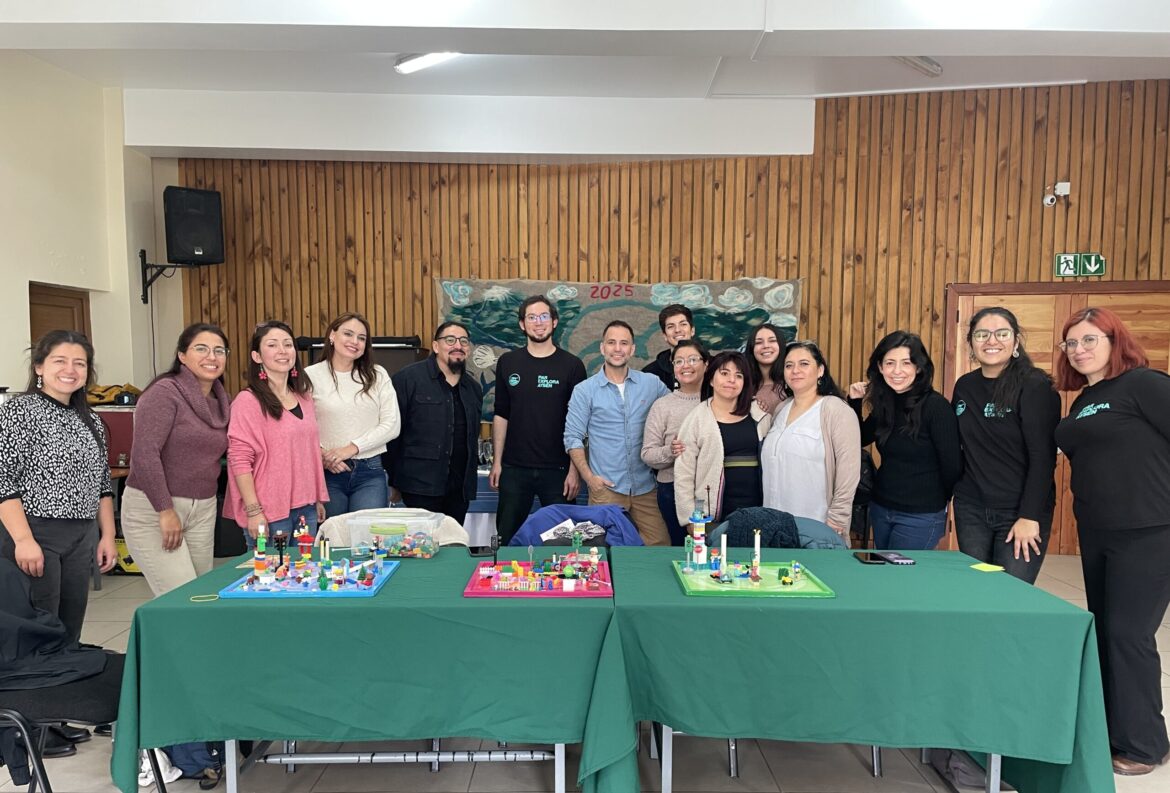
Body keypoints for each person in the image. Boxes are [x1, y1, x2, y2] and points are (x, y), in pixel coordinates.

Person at [1053, 306, 1170, 777]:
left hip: (1149, 530)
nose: (1079, 350)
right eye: (1071, 343)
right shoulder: (1087, 398)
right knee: (1105, 632)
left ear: (1114, 340)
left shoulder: (1145, 384)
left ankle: (1145, 744)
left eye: (1089, 340)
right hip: (1098, 530)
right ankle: (1112, 729)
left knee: (1128, 633)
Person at [0, 330, 117, 645]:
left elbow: (103, 483)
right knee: (38, 625)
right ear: (39, 367)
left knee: (70, 626)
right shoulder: (18, 411)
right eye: (60, 361)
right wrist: (23, 540)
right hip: (36, 532)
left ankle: (65, 689)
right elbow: (2, 480)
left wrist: (107, 536)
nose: (70, 370)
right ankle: (31, 693)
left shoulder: (90, 419)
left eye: (79, 363)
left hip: (82, 536)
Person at [121, 323, 232, 596]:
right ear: (182, 355)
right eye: (201, 349)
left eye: (219, 350)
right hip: (155, 508)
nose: (212, 357)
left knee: (201, 595)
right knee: (181, 597)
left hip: (202, 509)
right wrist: (165, 510)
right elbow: (145, 455)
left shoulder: (221, 400)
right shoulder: (164, 392)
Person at [951, 307, 1060, 583]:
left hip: (1019, 510)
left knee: (1011, 593)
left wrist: (1029, 515)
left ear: (1015, 341)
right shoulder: (965, 386)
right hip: (972, 508)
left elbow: (1043, 457)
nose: (991, 341)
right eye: (982, 334)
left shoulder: (1034, 385)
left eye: (1001, 333)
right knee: (976, 587)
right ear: (971, 343)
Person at [847, 331, 961, 550]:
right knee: (886, 577)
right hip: (881, 507)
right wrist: (854, 402)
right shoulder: (885, 404)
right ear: (880, 367)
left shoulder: (936, 407)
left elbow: (952, 466)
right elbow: (858, 438)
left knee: (904, 580)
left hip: (921, 515)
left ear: (918, 368)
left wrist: (937, 505)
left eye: (906, 363)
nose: (897, 371)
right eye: (889, 363)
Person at [490, 296, 586, 545]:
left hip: (559, 471)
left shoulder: (572, 366)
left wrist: (575, 470)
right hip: (514, 469)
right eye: (531, 317)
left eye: (544, 316)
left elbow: (580, 423)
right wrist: (497, 463)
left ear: (554, 322)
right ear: (522, 324)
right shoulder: (508, 363)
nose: (538, 322)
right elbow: (501, 414)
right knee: (507, 540)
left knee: (562, 542)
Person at [565, 320, 670, 545]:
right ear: (602, 348)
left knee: (660, 547)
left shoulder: (652, 384)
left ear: (632, 349)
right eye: (612, 343)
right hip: (606, 489)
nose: (618, 348)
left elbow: (674, 411)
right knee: (601, 553)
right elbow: (572, 437)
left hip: (645, 488)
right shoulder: (585, 390)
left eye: (624, 343)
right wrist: (590, 479)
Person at [225, 320, 328, 547]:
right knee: (271, 578)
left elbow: (307, 452)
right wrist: (253, 511)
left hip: (306, 508)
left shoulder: (304, 397)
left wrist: (316, 498)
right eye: (272, 345)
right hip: (269, 511)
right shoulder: (248, 401)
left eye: (288, 344)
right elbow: (239, 460)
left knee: (303, 576)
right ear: (257, 356)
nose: (282, 351)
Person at [760, 341, 859, 544]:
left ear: (820, 370)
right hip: (776, 526)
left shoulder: (835, 410)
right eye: (789, 365)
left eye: (804, 364)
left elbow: (848, 471)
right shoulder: (781, 409)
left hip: (817, 527)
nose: (795, 370)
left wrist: (837, 519)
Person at [305, 312, 400, 518]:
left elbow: (392, 424)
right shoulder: (310, 376)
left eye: (361, 338)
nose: (355, 342)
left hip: (370, 471)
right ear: (332, 335)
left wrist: (350, 449)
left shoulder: (377, 375)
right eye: (348, 334)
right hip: (327, 472)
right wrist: (323, 454)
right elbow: (300, 426)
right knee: (330, 541)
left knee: (368, 542)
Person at [387, 321, 483, 524]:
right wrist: (393, 481)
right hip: (419, 486)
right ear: (436, 346)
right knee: (420, 548)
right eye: (450, 340)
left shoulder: (473, 388)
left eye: (463, 341)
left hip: (459, 490)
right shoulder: (408, 379)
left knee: (453, 545)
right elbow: (393, 434)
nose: (458, 345)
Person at [674, 351, 772, 531]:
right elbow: (684, 472)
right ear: (711, 379)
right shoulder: (697, 419)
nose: (731, 380)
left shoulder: (761, 416)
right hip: (712, 515)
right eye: (724, 373)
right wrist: (689, 518)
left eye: (738, 375)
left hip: (758, 511)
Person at [641, 339, 708, 545]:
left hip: (710, 489)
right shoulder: (663, 405)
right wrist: (670, 451)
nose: (685, 365)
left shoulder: (720, 400)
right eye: (678, 361)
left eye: (692, 359)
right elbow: (648, 454)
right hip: (672, 489)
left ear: (706, 364)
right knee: (682, 552)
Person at [642, 304, 696, 390]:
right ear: (664, 335)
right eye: (671, 326)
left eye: (683, 324)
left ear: (692, 330)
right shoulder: (650, 374)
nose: (677, 330)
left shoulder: (713, 367)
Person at [746, 323, 785, 415]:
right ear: (752, 349)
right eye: (759, 342)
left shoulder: (792, 382)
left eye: (772, 341)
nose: (766, 346)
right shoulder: (744, 385)